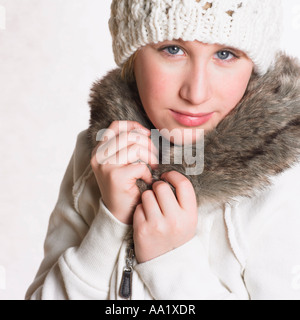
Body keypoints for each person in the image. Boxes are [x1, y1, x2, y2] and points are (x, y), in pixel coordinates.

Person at [26, 0, 300, 300]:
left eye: (225, 54)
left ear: (254, 66)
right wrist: (111, 221)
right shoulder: (101, 155)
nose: (195, 93)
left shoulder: (286, 181)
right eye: (173, 49)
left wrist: (171, 260)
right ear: (132, 54)